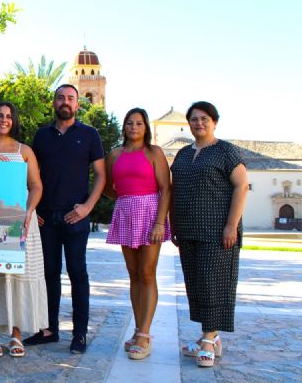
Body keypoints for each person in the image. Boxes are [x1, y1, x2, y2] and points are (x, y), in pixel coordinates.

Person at [25, 84, 106, 354]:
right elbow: (32, 176)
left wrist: (87, 207)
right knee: (48, 275)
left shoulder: (90, 134)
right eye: (61, 98)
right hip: (45, 218)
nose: (65, 102)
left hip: (75, 218)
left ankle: (79, 334)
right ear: (54, 103)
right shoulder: (41, 136)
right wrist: (32, 209)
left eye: (70, 98)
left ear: (77, 104)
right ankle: (49, 329)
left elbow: (101, 176)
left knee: (77, 274)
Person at [171, 101, 248, 368]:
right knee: (196, 285)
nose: (199, 123)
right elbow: (173, 190)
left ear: (214, 122)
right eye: (194, 119)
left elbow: (241, 187)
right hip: (187, 230)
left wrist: (231, 225)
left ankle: (208, 338)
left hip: (218, 231)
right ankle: (211, 338)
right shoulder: (181, 154)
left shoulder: (226, 151)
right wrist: (173, 224)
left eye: (204, 119)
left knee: (213, 282)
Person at [0, 101, 48, 358]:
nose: (4, 120)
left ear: (14, 120)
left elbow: (36, 185)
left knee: (18, 277)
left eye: (9, 116)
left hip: (21, 222)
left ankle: (16, 333)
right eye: (0, 115)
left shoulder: (25, 151)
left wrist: (27, 212)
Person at [104, 108, 171, 360]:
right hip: (126, 212)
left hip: (150, 213)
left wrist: (160, 223)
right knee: (133, 275)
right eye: (130, 123)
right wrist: (124, 200)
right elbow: (109, 187)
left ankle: (145, 334)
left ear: (146, 128)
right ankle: (137, 329)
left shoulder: (154, 153)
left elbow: (166, 189)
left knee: (147, 273)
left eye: (139, 123)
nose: (134, 127)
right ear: (124, 127)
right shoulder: (114, 154)